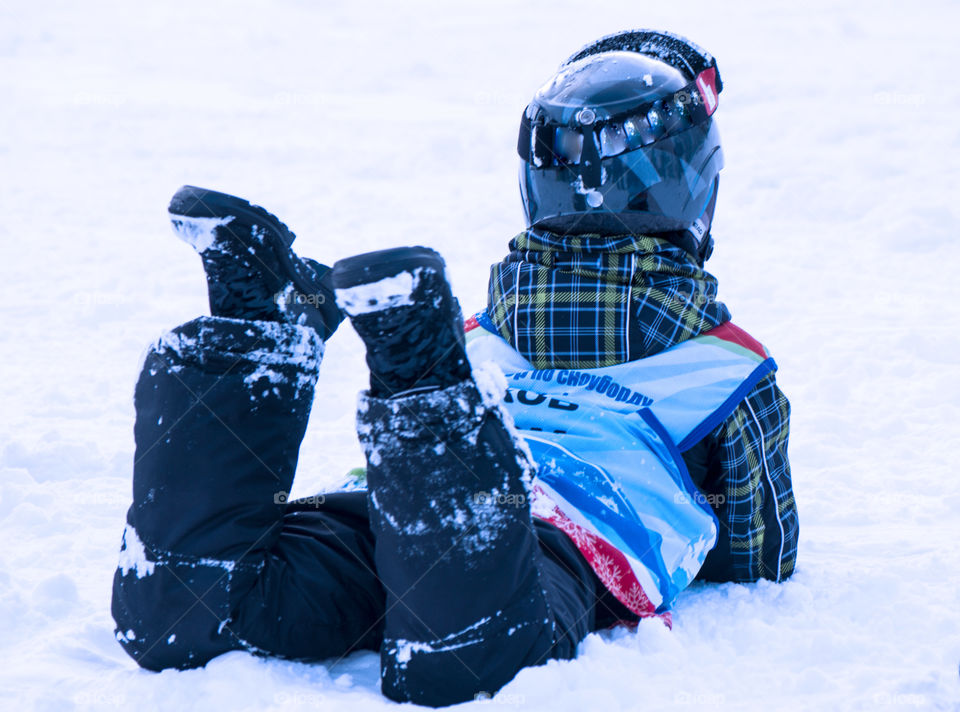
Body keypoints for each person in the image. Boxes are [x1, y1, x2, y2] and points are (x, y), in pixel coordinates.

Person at [111, 29, 797, 708]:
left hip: (373, 516)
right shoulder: (726, 366)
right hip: (542, 542)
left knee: (186, 612)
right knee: (466, 655)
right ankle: (431, 418)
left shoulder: (477, 335)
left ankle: (255, 334)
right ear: (693, 184)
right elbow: (757, 555)